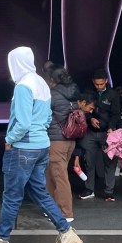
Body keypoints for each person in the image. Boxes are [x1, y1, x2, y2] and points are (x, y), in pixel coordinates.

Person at [0, 47, 83, 243]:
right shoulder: (41, 83)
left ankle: (0, 242)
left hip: (23, 148)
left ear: (15, 63)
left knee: (11, 196)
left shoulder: (23, 86)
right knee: (40, 192)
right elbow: (48, 117)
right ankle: (67, 233)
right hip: (41, 146)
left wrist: (9, 139)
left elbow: (22, 123)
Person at [78, 68, 122, 202]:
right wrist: (90, 118)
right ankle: (89, 189)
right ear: (93, 82)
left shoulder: (113, 94)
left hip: (106, 133)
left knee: (110, 162)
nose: (99, 86)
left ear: (106, 81)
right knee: (89, 162)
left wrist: (111, 127)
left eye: (101, 84)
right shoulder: (88, 92)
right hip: (90, 132)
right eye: (96, 84)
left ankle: (109, 192)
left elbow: (116, 114)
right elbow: (82, 108)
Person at [45, 65, 80, 222]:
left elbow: (44, 116)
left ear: (52, 80)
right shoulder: (74, 93)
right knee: (51, 173)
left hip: (56, 140)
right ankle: (51, 208)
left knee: (59, 176)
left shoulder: (52, 95)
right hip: (70, 140)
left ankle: (65, 213)